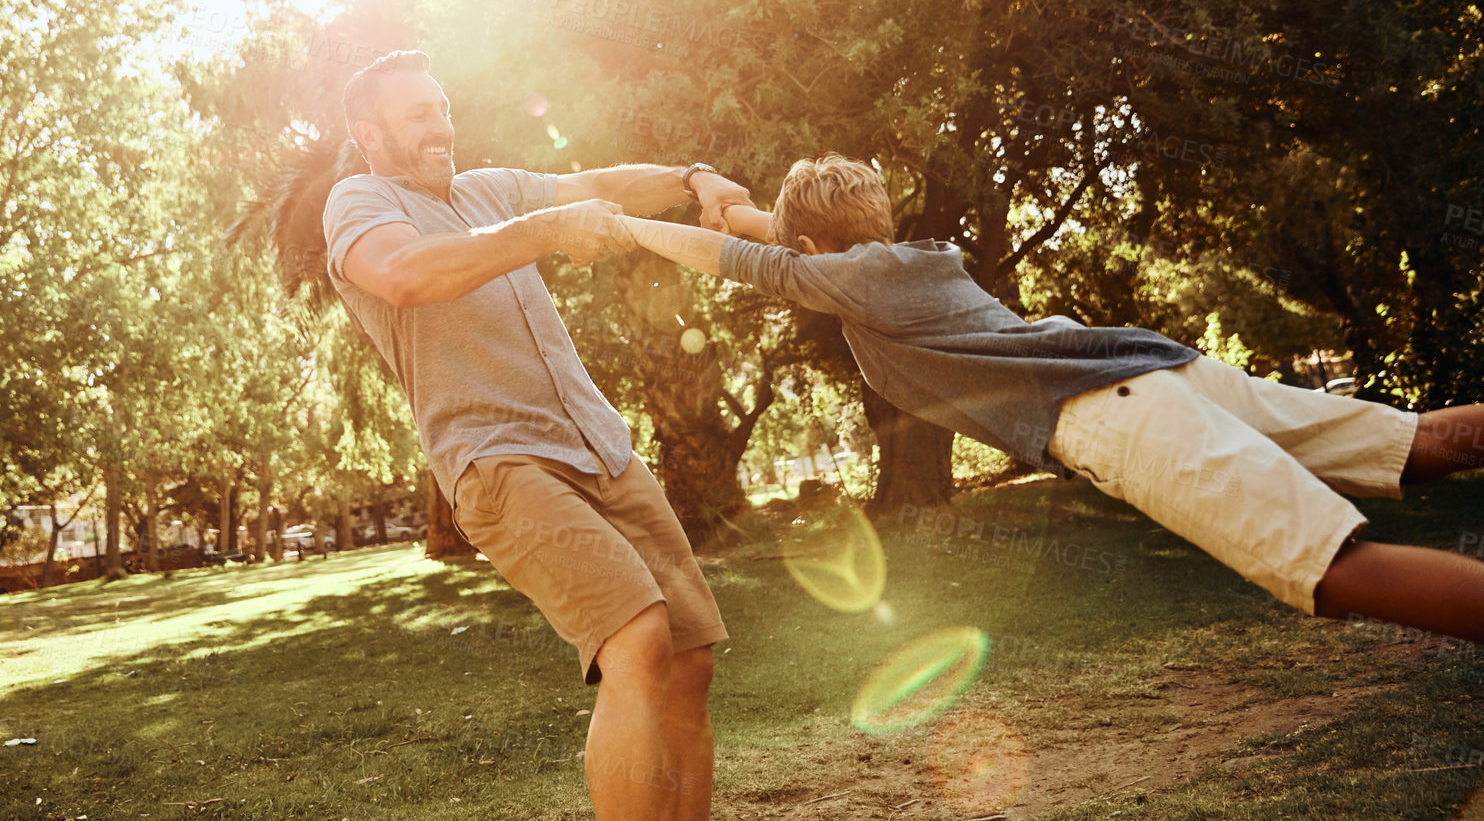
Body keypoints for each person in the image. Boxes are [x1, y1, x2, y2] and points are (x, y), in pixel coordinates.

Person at [618, 153, 1484, 644]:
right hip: (1158, 367)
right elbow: (755, 231)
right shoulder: (898, 261)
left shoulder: (854, 281)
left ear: (814, 247)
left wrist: (612, 226)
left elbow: (740, 257)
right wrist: (702, 179)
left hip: (1110, 415)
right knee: (1424, 444)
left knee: (1331, 574)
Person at [321, 50, 750, 821]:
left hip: (602, 448)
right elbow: (409, 274)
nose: (441, 124)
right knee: (638, 639)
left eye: (442, 107)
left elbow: (601, 187)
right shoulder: (359, 202)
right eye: (418, 114)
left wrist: (692, 178)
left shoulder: (488, 190)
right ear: (371, 134)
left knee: (688, 662)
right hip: (500, 461)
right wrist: (547, 230)